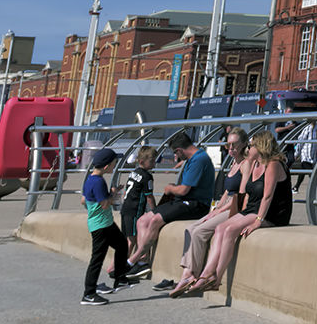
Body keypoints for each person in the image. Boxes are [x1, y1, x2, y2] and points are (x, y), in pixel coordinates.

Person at [176, 131, 291, 297]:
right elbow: (244, 192)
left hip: (270, 213)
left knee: (229, 231)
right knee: (221, 228)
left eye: (251, 146)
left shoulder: (273, 164)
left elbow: (267, 196)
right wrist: (250, 163)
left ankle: (216, 278)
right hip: (252, 209)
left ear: (261, 146)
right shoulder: (254, 164)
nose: (248, 149)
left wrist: (258, 221)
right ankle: (205, 275)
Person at [128, 130, 217, 272]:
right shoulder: (191, 160)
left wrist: (169, 189)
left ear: (179, 150)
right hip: (183, 201)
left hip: (196, 204)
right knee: (142, 221)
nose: (176, 157)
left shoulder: (199, 159)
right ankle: (143, 261)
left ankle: (134, 259)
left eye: (176, 153)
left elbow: (183, 191)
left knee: (155, 221)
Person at [80, 147, 133, 306]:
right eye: (114, 163)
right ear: (106, 167)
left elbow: (84, 201)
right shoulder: (99, 182)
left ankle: (120, 279)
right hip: (101, 226)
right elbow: (104, 204)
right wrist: (114, 195)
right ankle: (89, 293)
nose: (114, 166)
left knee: (122, 244)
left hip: (103, 223)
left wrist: (108, 194)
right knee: (97, 259)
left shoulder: (90, 179)